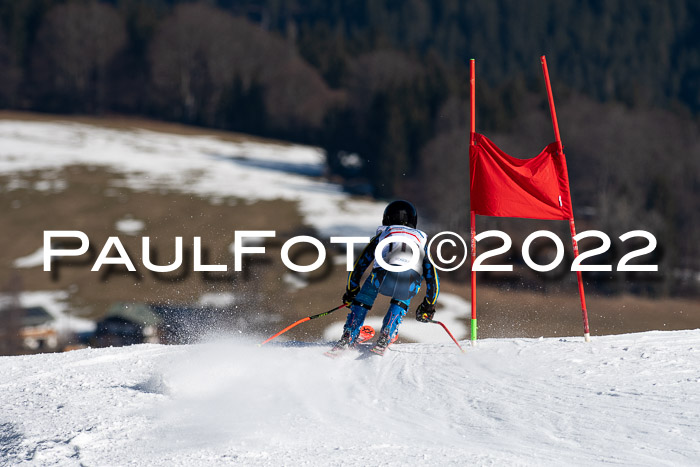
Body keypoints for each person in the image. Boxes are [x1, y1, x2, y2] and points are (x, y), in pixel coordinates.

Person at [332, 200, 439, 355]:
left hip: (382, 278)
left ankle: (350, 333)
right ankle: (387, 333)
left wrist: (352, 291)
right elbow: (432, 276)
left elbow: (359, 266)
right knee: (404, 291)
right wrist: (428, 306)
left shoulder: (384, 234)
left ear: (387, 218)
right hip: (408, 280)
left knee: (366, 294)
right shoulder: (420, 239)